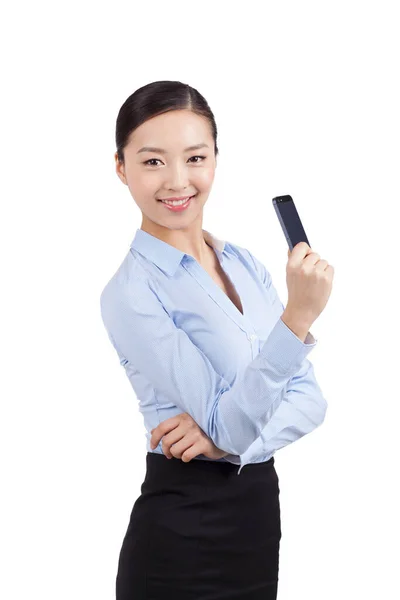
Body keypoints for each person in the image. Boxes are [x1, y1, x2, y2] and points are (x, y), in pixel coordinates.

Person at [100, 80, 334, 599]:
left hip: (255, 522)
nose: (178, 180)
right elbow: (234, 420)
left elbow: (311, 402)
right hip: (179, 533)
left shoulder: (245, 264)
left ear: (215, 160)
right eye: (153, 161)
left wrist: (225, 442)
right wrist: (295, 320)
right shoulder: (130, 292)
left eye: (195, 157)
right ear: (122, 167)